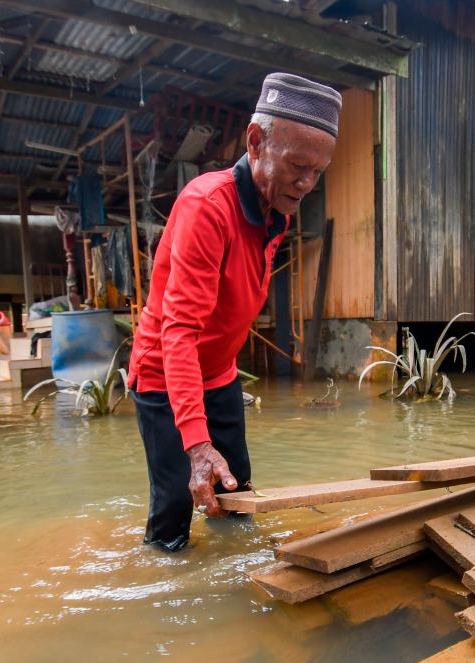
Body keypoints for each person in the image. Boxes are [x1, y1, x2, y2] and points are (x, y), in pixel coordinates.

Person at [128, 73, 341, 551]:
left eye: (318, 172)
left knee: (236, 491)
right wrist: (197, 444)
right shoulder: (207, 205)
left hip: (219, 374)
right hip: (165, 375)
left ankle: (238, 579)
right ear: (255, 141)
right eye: (297, 166)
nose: (306, 184)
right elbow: (178, 332)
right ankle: (170, 594)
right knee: (176, 508)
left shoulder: (277, 211)